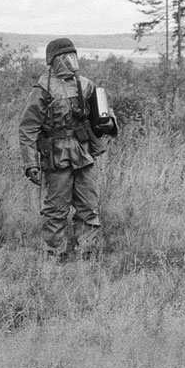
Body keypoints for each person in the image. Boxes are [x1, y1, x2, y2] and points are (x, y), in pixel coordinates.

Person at [18, 37, 117, 259]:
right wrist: (31, 163)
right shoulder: (43, 89)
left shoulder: (86, 85)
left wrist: (108, 123)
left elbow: (102, 117)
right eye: (65, 57)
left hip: (83, 154)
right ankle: (55, 256)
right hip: (56, 156)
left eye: (73, 56)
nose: (71, 62)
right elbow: (28, 128)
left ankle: (87, 255)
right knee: (55, 211)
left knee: (88, 207)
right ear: (54, 61)